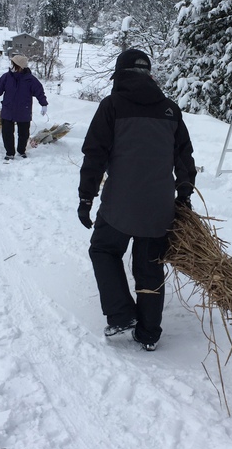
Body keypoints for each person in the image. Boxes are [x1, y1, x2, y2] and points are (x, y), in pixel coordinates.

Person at [78, 48, 196, 351]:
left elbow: (95, 154)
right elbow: (183, 155)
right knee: (150, 266)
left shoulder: (112, 106)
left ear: (120, 75)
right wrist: (183, 194)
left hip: (119, 204)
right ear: (149, 76)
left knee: (103, 250)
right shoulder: (170, 109)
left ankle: (121, 314)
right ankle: (149, 333)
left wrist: (86, 197)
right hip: (159, 207)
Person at [0, 54, 48, 160]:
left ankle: (21, 150)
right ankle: (10, 152)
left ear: (19, 66)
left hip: (23, 110)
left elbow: (39, 91)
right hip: (8, 109)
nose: (11, 65)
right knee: (7, 133)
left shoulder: (30, 79)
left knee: (24, 133)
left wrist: (43, 104)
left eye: (14, 64)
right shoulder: (6, 77)